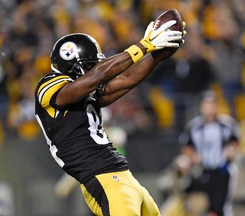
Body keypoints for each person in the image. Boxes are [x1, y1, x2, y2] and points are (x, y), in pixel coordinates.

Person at [35, 18, 185, 215]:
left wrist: (156, 56)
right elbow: (98, 75)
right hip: (105, 180)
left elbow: (126, 79)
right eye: (90, 65)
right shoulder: (50, 86)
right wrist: (144, 45)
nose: (95, 68)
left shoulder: (86, 92)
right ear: (71, 64)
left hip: (124, 178)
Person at [177, 91, 240, 216]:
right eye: (206, 104)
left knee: (220, 207)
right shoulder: (194, 126)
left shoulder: (227, 124)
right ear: (201, 106)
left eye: (212, 104)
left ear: (217, 106)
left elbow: (235, 142)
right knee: (197, 203)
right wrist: (192, 156)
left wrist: (231, 151)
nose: (209, 108)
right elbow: (186, 146)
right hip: (202, 171)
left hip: (222, 170)